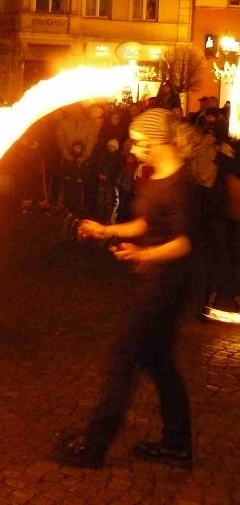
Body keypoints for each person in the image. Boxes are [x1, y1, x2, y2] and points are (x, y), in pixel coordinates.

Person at [57, 108, 194, 470]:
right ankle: (178, 444)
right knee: (159, 362)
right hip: (156, 282)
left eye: (137, 142)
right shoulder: (159, 176)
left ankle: (93, 447)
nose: (132, 148)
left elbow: (182, 243)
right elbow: (146, 223)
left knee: (123, 359)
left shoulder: (181, 184)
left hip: (164, 287)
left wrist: (145, 253)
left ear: (155, 141)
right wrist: (107, 231)